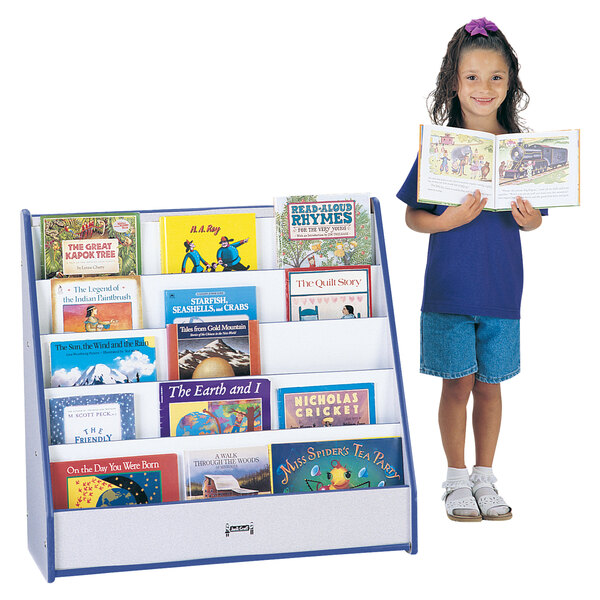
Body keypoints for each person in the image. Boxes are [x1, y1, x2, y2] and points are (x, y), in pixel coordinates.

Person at [397, 18, 545, 522]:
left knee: (491, 384)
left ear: (511, 83)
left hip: (502, 291)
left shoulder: (524, 152)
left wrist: (531, 223)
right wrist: (449, 220)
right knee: (456, 384)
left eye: (496, 77)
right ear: (453, 83)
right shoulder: (440, 150)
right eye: (472, 77)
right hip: (449, 290)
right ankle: (455, 478)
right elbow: (413, 216)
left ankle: (486, 476)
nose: (485, 88)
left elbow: (536, 216)